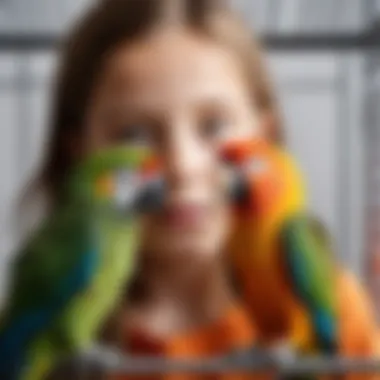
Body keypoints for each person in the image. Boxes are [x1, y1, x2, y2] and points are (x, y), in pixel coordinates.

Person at [33, 0, 378, 379]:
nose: (182, 165)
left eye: (213, 126)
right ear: (79, 154)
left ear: (267, 137)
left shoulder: (336, 305)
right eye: (133, 135)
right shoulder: (45, 328)